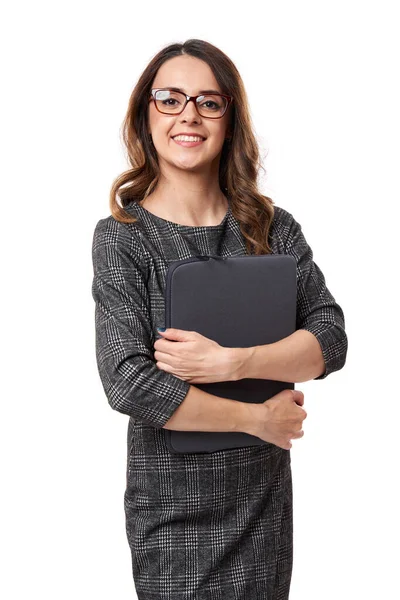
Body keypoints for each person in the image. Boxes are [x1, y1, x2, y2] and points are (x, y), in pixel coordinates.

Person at [91, 39, 348, 600]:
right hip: (172, 513)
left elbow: (330, 337)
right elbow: (130, 382)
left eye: (210, 101)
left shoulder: (272, 229)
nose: (189, 114)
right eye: (170, 99)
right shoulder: (123, 237)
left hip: (261, 506)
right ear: (145, 115)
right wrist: (257, 419)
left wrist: (233, 363)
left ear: (231, 120)